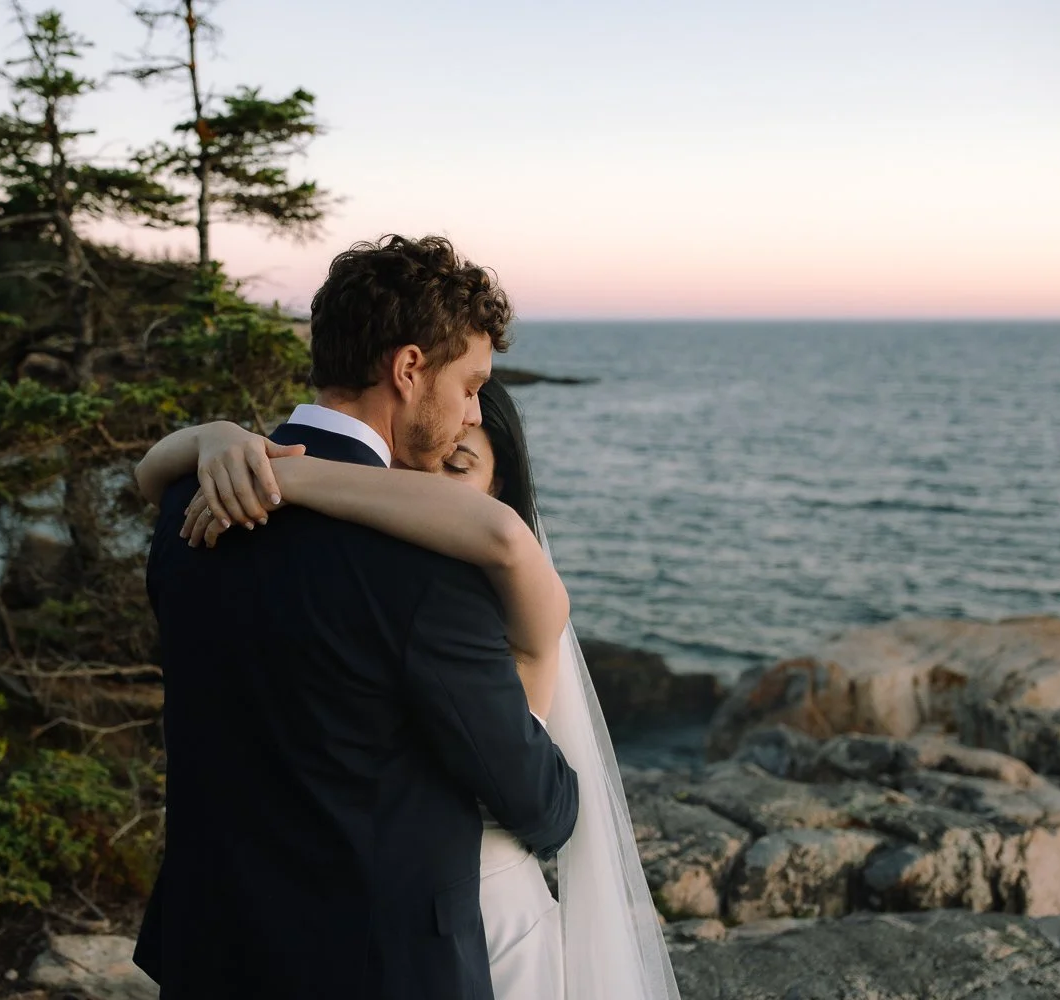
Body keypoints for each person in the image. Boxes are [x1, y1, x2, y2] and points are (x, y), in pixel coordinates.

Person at [132, 235, 580, 1000]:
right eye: (470, 385)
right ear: (408, 369)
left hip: (211, 950)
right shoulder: (426, 567)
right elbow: (539, 804)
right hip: (375, 970)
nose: (473, 410)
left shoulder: (190, 502)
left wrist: (207, 436)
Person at [140, 379, 682, 1000]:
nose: (410, 488)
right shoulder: (396, 570)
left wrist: (276, 469)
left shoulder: (504, 594)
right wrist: (220, 439)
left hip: (470, 918)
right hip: (373, 930)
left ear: (497, 489)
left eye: (458, 466)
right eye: (412, 466)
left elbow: (540, 801)